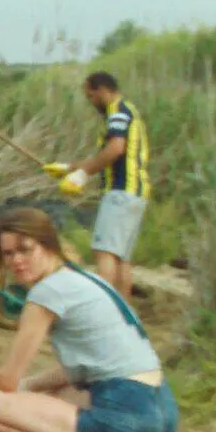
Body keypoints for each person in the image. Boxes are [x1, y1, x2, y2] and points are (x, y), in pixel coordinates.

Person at [0, 207, 178, 432]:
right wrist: (29, 387)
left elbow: (7, 379)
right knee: (52, 391)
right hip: (163, 416)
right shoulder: (87, 279)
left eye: (25, 250)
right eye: (8, 254)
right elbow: (83, 368)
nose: (16, 261)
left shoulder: (46, 294)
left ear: (48, 245)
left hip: (125, 423)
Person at [48, 71, 151, 298]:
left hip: (121, 192)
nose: (91, 102)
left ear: (102, 90)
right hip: (136, 193)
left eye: (91, 96)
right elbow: (110, 155)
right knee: (121, 258)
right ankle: (122, 310)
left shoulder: (117, 112)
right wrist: (68, 167)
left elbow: (115, 149)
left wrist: (82, 175)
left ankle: (102, 306)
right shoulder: (129, 110)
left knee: (105, 253)